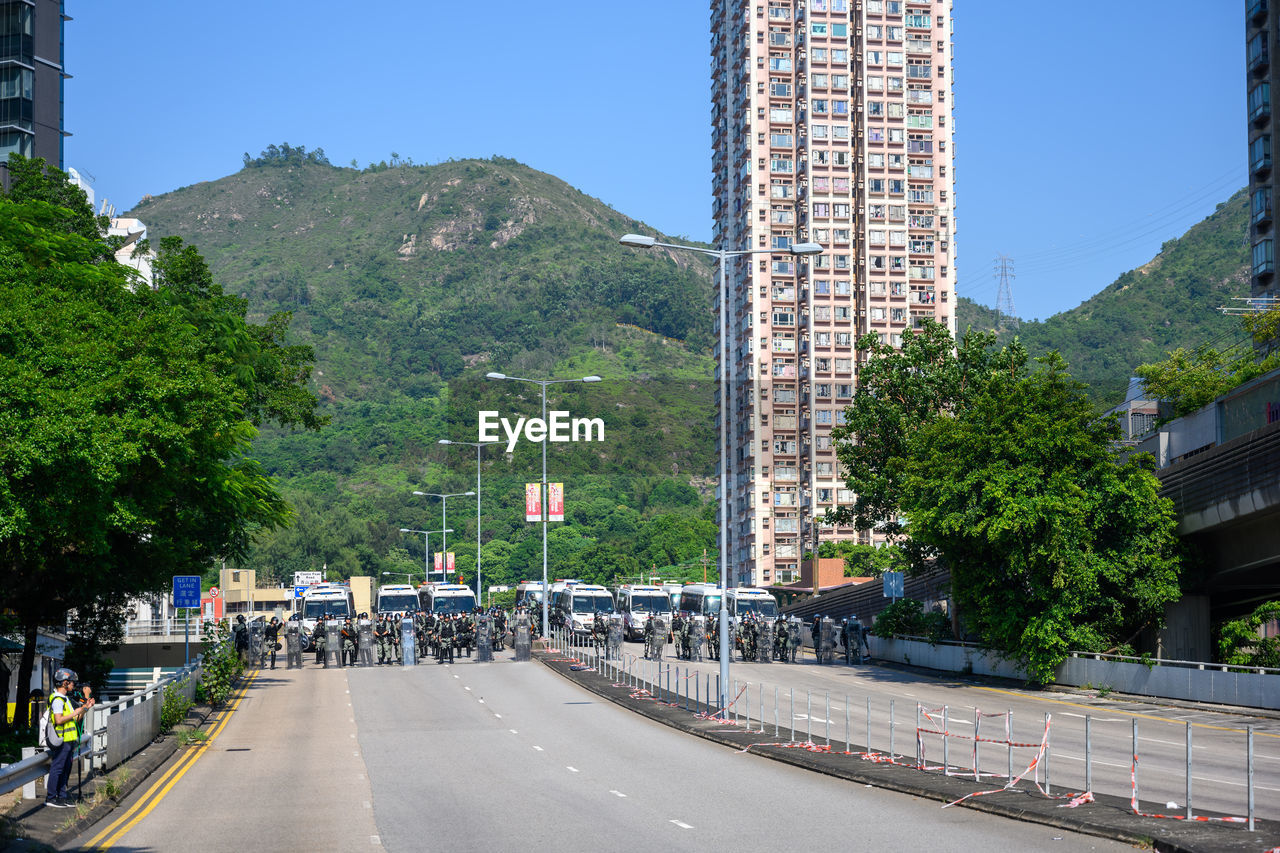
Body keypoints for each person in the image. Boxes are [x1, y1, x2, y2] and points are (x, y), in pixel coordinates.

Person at [45, 668, 93, 808]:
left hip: (69, 739)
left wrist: (85, 708)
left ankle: (62, 797)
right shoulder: (58, 700)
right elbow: (59, 720)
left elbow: (76, 718)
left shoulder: (65, 699)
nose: (74, 685)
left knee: (66, 768)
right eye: (72, 682)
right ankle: (51, 797)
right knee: (58, 768)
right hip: (62, 739)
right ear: (65, 683)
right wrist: (77, 711)